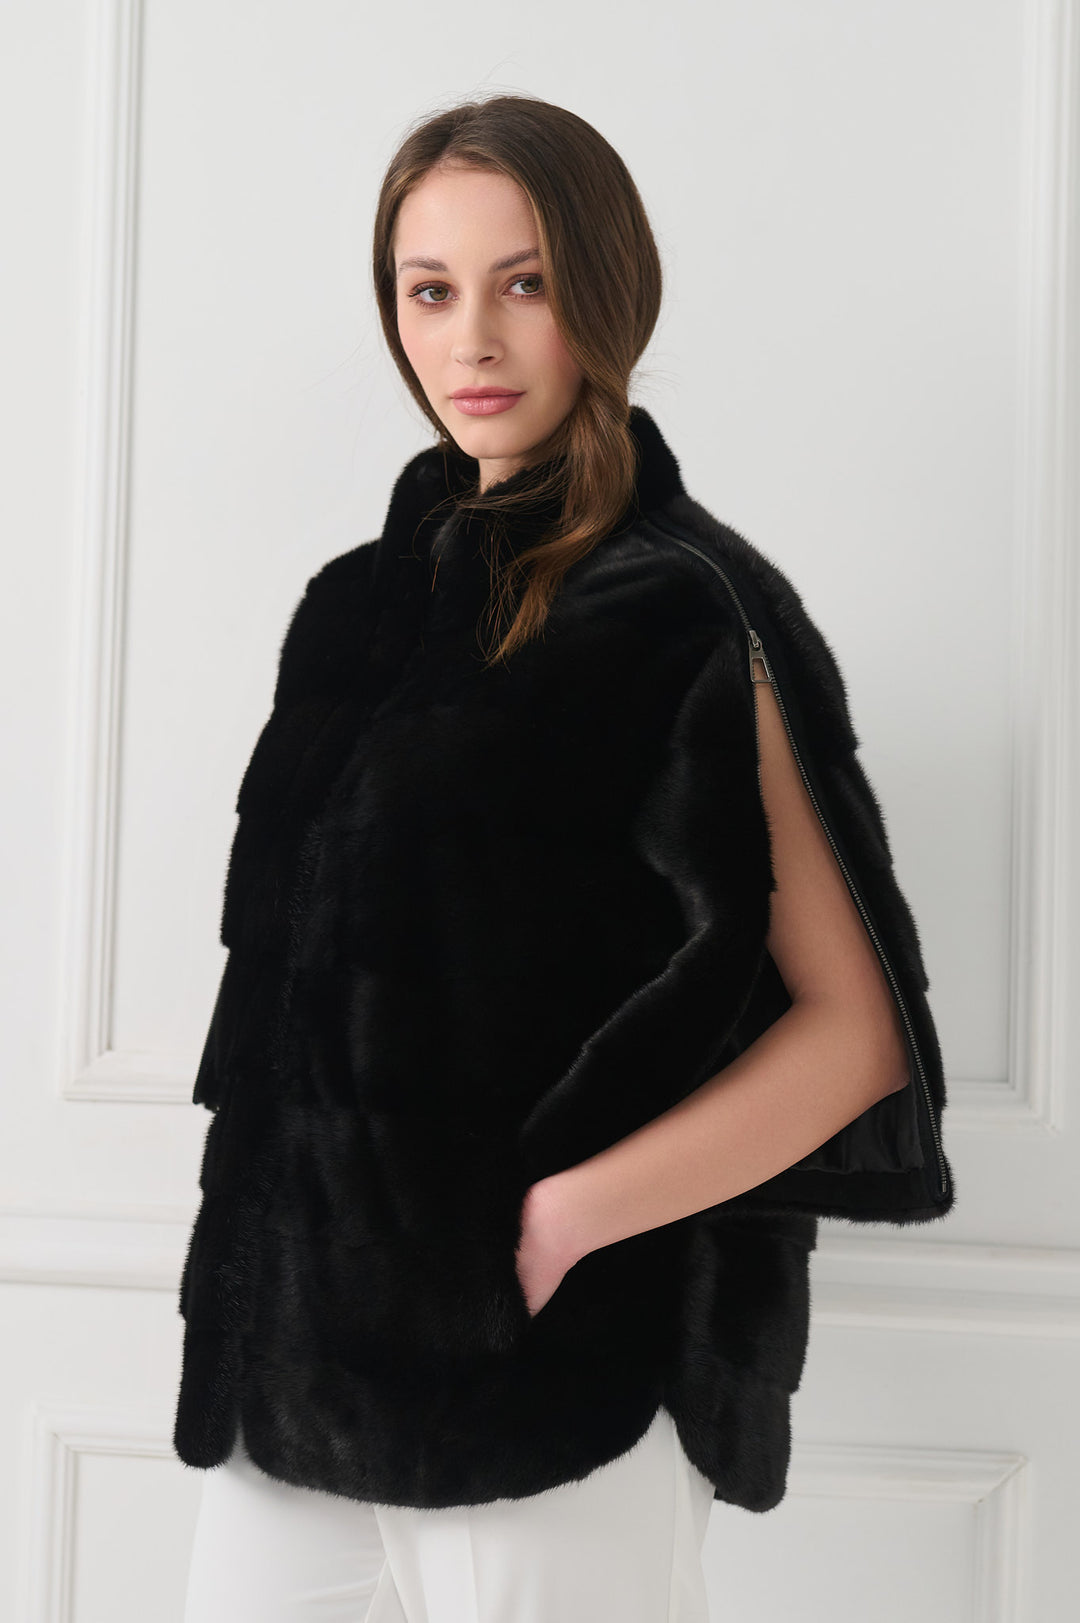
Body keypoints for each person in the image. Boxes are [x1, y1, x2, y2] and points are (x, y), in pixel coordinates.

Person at [175, 93, 955, 1622]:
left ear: (607, 290)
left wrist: (551, 1228)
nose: (471, 338)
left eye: (522, 282)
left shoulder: (678, 610)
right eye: (430, 289)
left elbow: (855, 1034)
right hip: (292, 1369)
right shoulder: (354, 612)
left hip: (543, 1381)